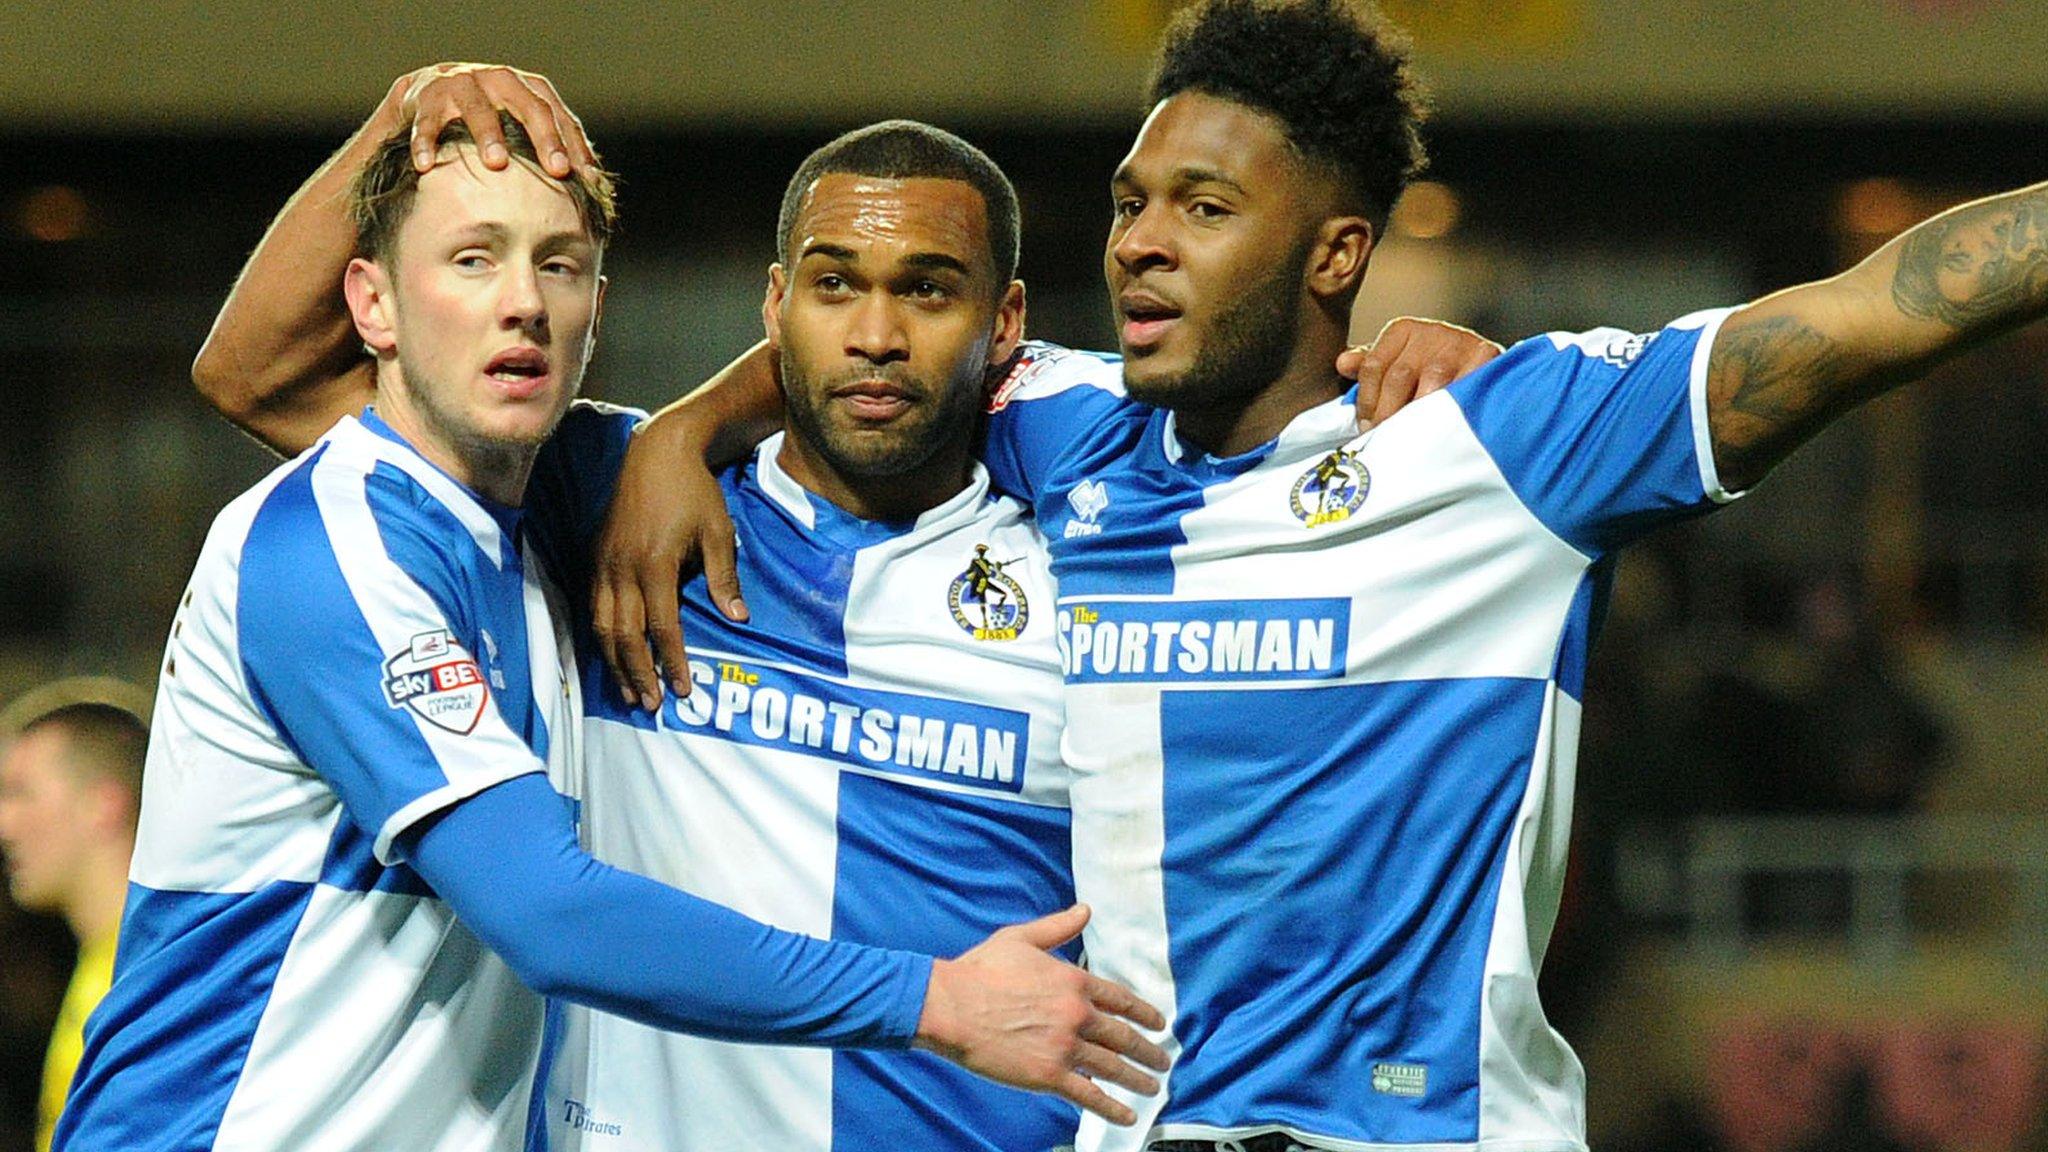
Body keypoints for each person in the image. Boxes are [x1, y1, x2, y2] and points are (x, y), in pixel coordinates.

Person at [596, 1, 2048, 1149]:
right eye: (1130, 200)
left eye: (1206, 210)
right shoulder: (1068, 429)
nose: (1144, 243)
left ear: (1339, 252)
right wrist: (682, 432)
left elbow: (1873, 314)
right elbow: (877, 339)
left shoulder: (1499, 447)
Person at [191, 72, 1491, 1145]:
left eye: (927, 291)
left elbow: (1280, 443)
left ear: (1006, 327)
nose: (875, 333)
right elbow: (261, 375)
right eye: (832, 287)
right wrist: (407, 116)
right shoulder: (599, 495)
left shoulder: (1101, 550)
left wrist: (1436, 387)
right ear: (774, 307)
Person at [62, 74, 1171, 1152]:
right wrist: (410, 108)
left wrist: (681, 430)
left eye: (559, 266)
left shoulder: (553, 501)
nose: (521, 302)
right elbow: (546, 911)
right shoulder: (387, 535)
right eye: (470, 260)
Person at [0, 680, 149, 1152]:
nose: (3, 824)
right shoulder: (98, 968)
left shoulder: (144, 985)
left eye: (20, 792)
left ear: (103, 803)